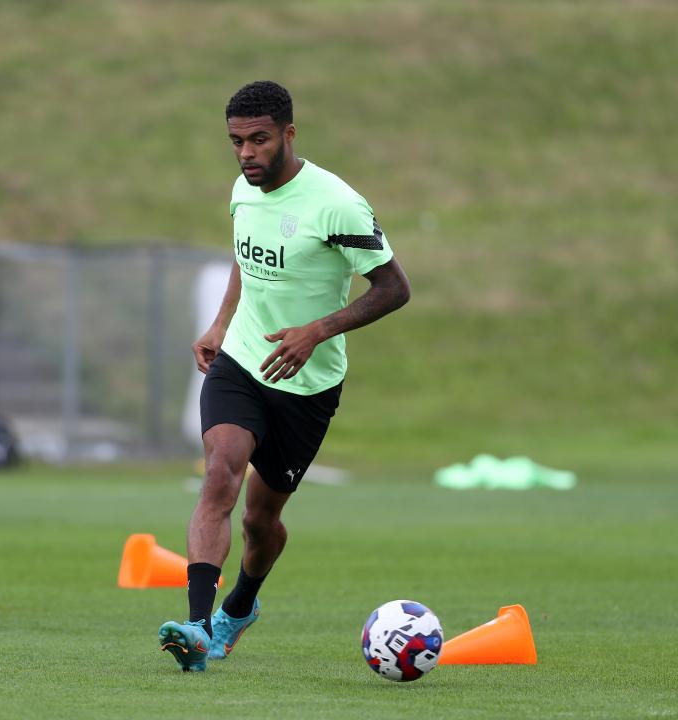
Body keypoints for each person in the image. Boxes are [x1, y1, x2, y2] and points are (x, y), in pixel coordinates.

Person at [159, 80, 411, 672]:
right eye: (236, 141)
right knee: (219, 476)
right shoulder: (243, 193)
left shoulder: (337, 204)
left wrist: (316, 331)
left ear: (289, 135)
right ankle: (197, 628)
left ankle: (240, 608)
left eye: (259, 140)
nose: (246, 153)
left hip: (308, 384)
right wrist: (221, 324)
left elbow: (394, 288)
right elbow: (246, 259)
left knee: (261, 521)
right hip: (243, 361)